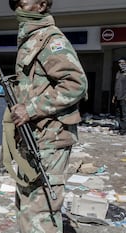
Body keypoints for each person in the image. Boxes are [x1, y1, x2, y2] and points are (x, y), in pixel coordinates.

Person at [7, 0, 88, 232]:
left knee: (40, 211)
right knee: (26, 204)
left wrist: (30, 109)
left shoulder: (51, 40)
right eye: (15, 3)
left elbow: (76, 84)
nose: (18, 8)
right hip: (31, 136)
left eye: (23, 2)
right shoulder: (31, 38)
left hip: (49, 138)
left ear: (42, 5)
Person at [112, 58, 126, 135]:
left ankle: (123, 130)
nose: (121, 64)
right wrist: (114, 96)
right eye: (119, 63)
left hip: (124, 97)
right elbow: (116, 86)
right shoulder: (118, 73)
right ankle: (119, 127)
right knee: (118, 114)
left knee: (124, 114)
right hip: (118, 96)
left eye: (123, 63)